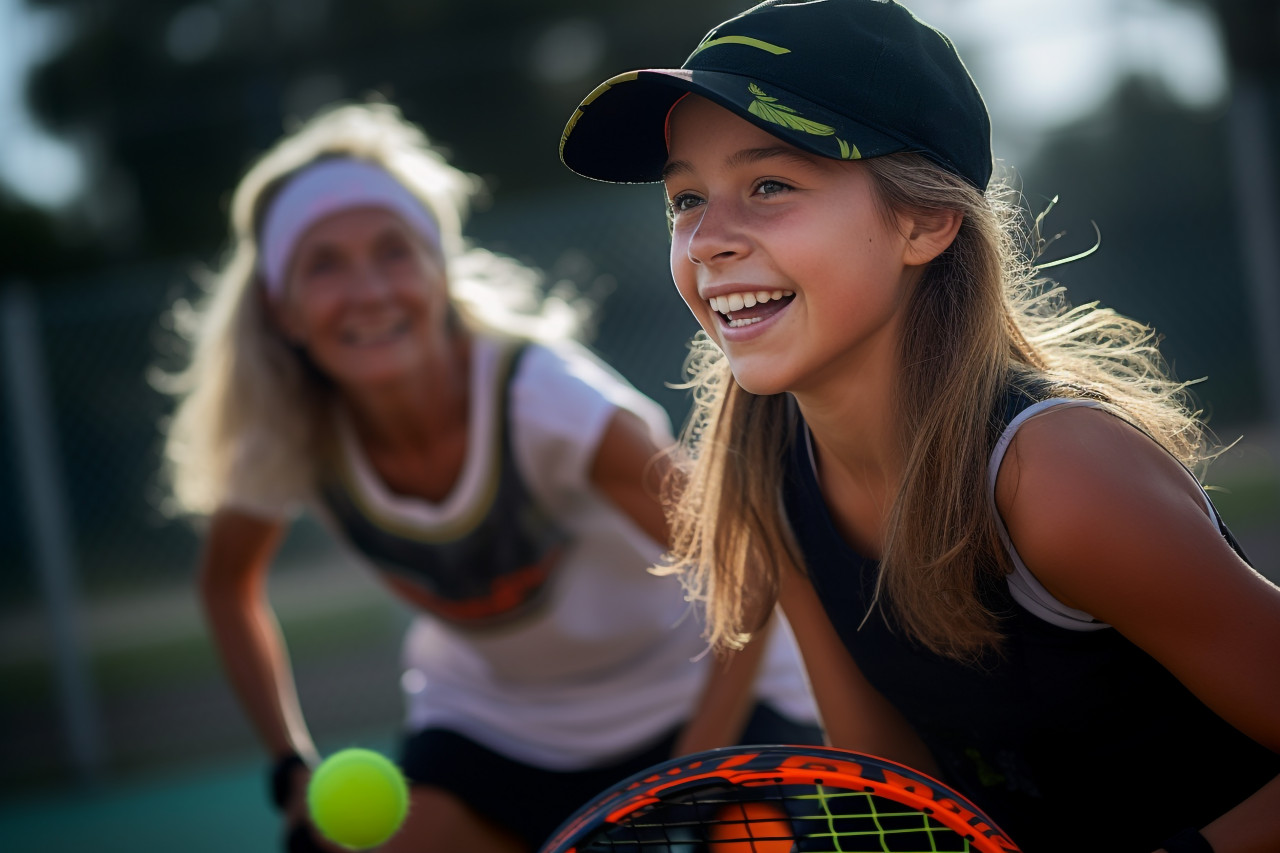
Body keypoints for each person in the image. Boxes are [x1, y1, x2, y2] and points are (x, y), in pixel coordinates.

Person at [557, 2, 1280, 851]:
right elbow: (891, 796)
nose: (709, 237)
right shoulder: (768, 466)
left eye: (771, 185)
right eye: (686, 198)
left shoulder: (1055, 474)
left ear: (925, 221)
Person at [159, 101, 822, 853]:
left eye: (394, 251)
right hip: (498, 727)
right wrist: (290, 764)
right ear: (282, 310)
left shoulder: (548, 401)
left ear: (440, 271)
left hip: (700, 693)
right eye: (324, 265)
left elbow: (745, 564)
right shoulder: (283, 434)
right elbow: (227, 586)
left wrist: (679, 782)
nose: (369, 289)